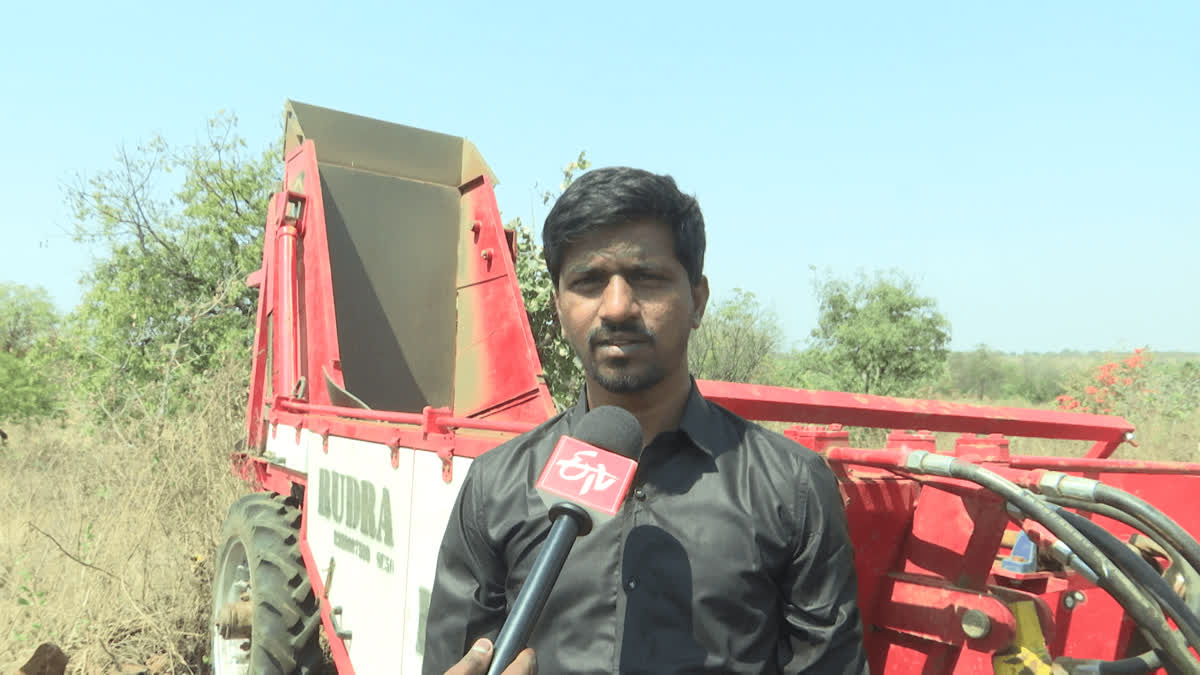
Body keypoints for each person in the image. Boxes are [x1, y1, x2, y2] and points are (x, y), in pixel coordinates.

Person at [425, 167, 866, 674]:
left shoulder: (790, 487)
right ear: (557, 306)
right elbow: (451, 660)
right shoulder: (496, 485)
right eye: (589, 282)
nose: (616, 307)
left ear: (697, 301)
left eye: (646, 278)